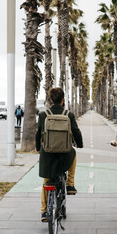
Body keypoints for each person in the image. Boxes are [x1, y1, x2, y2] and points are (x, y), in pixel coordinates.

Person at [35, 87, 83, 222]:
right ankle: (70, 184)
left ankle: (44, 212)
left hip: (48, 154)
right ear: (63, 100)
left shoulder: (44, 114)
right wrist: (79, 143)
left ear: (50, 100)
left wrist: (39, 148)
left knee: (46, 180)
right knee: (73, 154)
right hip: (65, 154)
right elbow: (76, 131)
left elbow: (38, 133)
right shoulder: (68, 114)